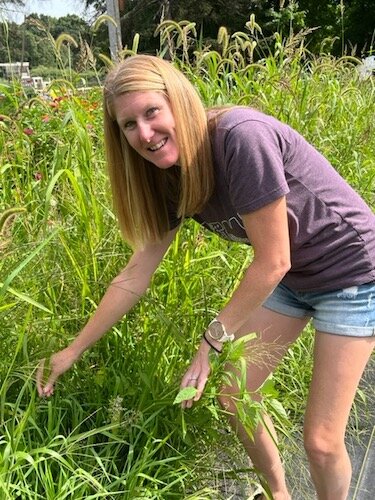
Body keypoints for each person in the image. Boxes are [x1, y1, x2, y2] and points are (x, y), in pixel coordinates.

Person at [37, 54, 375, 500]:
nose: (144, 134)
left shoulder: (239, 139)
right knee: (235, 396)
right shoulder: (167, 173)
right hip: (294, 277)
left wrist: (210, 342)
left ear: (177, 100)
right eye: (128, 124)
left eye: (152, 112)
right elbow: (137, 270)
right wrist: (73, 349)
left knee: (321, 441)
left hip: (353, 270)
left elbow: (272, 261)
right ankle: (280, 494)